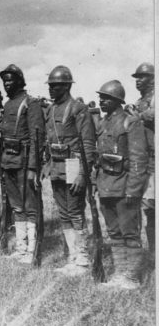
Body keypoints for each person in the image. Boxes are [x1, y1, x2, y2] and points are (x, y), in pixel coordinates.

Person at [95, 80, 149, 289]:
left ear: (117, 101)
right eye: (100, 97)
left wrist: (133, 190)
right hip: (106, 185)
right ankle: (120, 273)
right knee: (114, 232)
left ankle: (132, 277)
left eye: (106, 98)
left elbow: (138, 159)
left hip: (124, 187)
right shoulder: (103, 123)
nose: (101, 100)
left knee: (129, 233)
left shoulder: (131, 122)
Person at [44, 66, 97, 276]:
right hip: (56, 164)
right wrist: (46, 165)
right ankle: (73, 256)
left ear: (66, 86)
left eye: (55, 86)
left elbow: (88, 143)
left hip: (73, 163)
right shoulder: (50, 109)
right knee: (63, 212)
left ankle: (83, 259)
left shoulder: (78, 109)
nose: (51, 89)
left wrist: (83, 173)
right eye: (50, 86)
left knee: (75, 210)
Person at [0, 65, 45, 262]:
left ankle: (32, 250)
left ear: (19, 81)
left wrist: (33, 168)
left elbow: (36, 138)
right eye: (5, 81)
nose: (7, 84)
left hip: (25, 162)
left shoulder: (30, 104)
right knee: (17, 205)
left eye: (10, 80)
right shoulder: (8, 105)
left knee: (30, 206)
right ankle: (21, 247)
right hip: (9, 161)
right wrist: (1, 166)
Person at [128, 62, 155, 253]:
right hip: (142, 160)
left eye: (142, 77)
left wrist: (138, 115)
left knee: (152, 207)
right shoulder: (139, 102)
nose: (138, 81)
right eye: (136, 78)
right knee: (146, 207)